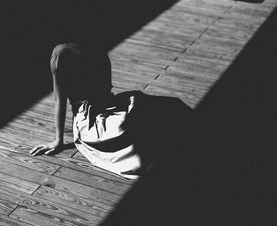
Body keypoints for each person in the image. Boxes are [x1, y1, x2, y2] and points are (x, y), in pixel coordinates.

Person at [30, 43, 190, 179]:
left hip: (109, 103)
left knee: (151, 107)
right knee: (125, 131)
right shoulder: (61, 53)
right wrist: (58, 140)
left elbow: (105, 88)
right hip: (88, 118)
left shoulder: (96, 47)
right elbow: (60, 99)